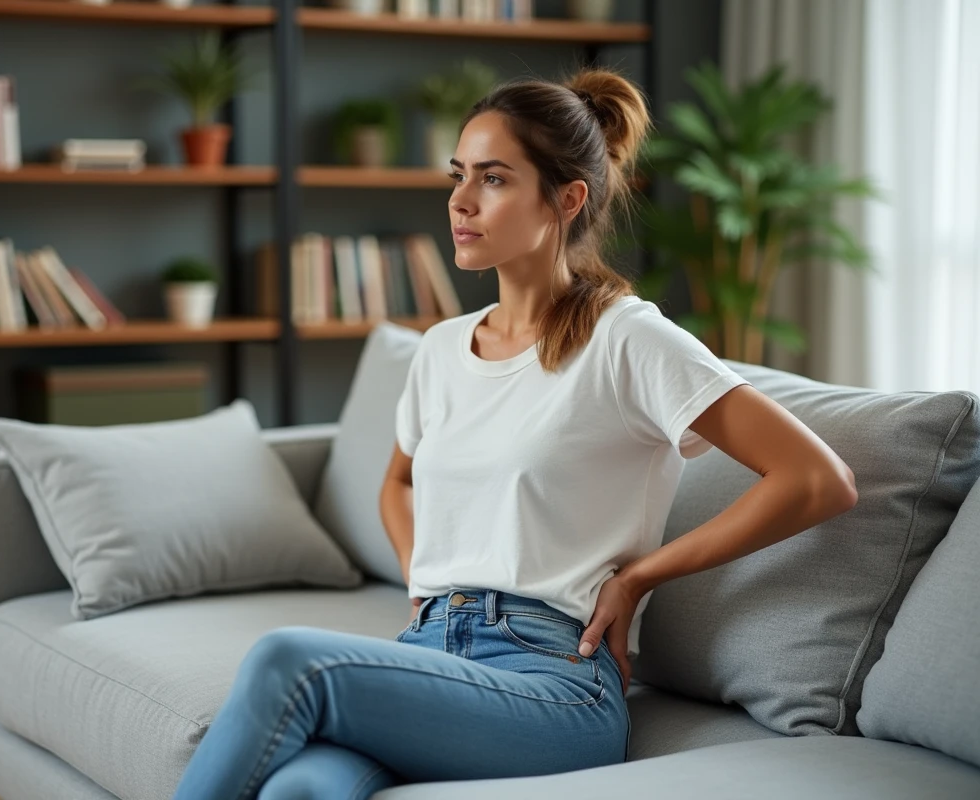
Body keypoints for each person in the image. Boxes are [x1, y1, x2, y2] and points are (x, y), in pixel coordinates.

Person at [171, 66, 858, 800]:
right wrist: (424, 580)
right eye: (457, 174)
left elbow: (816, 480)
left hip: (553, 681)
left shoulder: (626, 338)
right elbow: (398, 484)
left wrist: (640, 576)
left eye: (493, 179)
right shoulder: (440, 349)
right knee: (301, 790)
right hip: (431, 653)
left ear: (566, 199)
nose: (460, 202)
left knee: (287, 661)